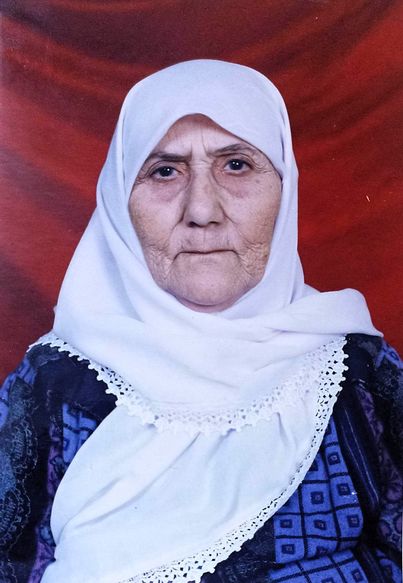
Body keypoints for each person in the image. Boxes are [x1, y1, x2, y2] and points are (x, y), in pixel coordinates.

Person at [0, 60, 401, 583]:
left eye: (236, 165)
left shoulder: (357, 373)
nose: (202, 210)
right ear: (120, 201)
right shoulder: (54, 384)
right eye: (165, 171)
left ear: (284, 191)